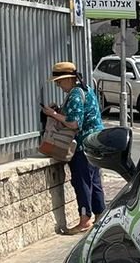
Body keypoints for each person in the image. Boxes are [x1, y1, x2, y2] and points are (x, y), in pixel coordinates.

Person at [42, 60, 104, 232]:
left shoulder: (76, 94)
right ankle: (99, 215)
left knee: (81, 181)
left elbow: (75, 123)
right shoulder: (87, 90)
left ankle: (85, 220)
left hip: (83, 145)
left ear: (69, 79)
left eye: (59, 81)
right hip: (95, 142)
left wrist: (53, 114)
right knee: (94, 180)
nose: (58, 85)